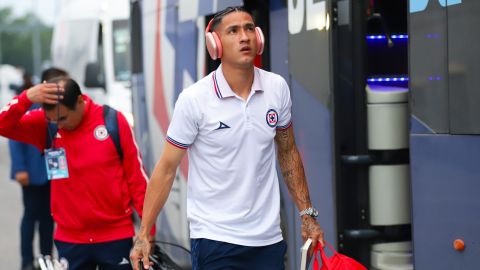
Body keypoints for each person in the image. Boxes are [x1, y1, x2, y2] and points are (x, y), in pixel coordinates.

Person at [130, 6, 324, 270]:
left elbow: (288, 151)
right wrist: (143, 234)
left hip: (268, 238)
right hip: (214, 239)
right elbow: (166, 169)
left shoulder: (276, 88)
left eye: (248, 28)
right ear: (215, 44)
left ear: (259, 37)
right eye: (233, 31)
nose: (244, 37)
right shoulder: (195, 99)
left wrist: (307, 214)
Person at [0, 76, 152, 270]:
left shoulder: (113, 121)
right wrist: (26, 98)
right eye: (52, 120)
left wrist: (147, 233)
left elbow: (137, 179)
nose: (58, 125)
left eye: (62, 118)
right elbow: (3, 125)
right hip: (70, 241)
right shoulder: (47, 126)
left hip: (115, 236)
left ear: (80, 101)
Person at [8, 68, 67, 270]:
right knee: (30, 216)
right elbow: (14, 141)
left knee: (48, 220)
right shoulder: (31, 106)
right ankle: (26, 261)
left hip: (54, 173)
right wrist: (20, 167)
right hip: (32, 173)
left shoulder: (64, 108)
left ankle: (46, 260)